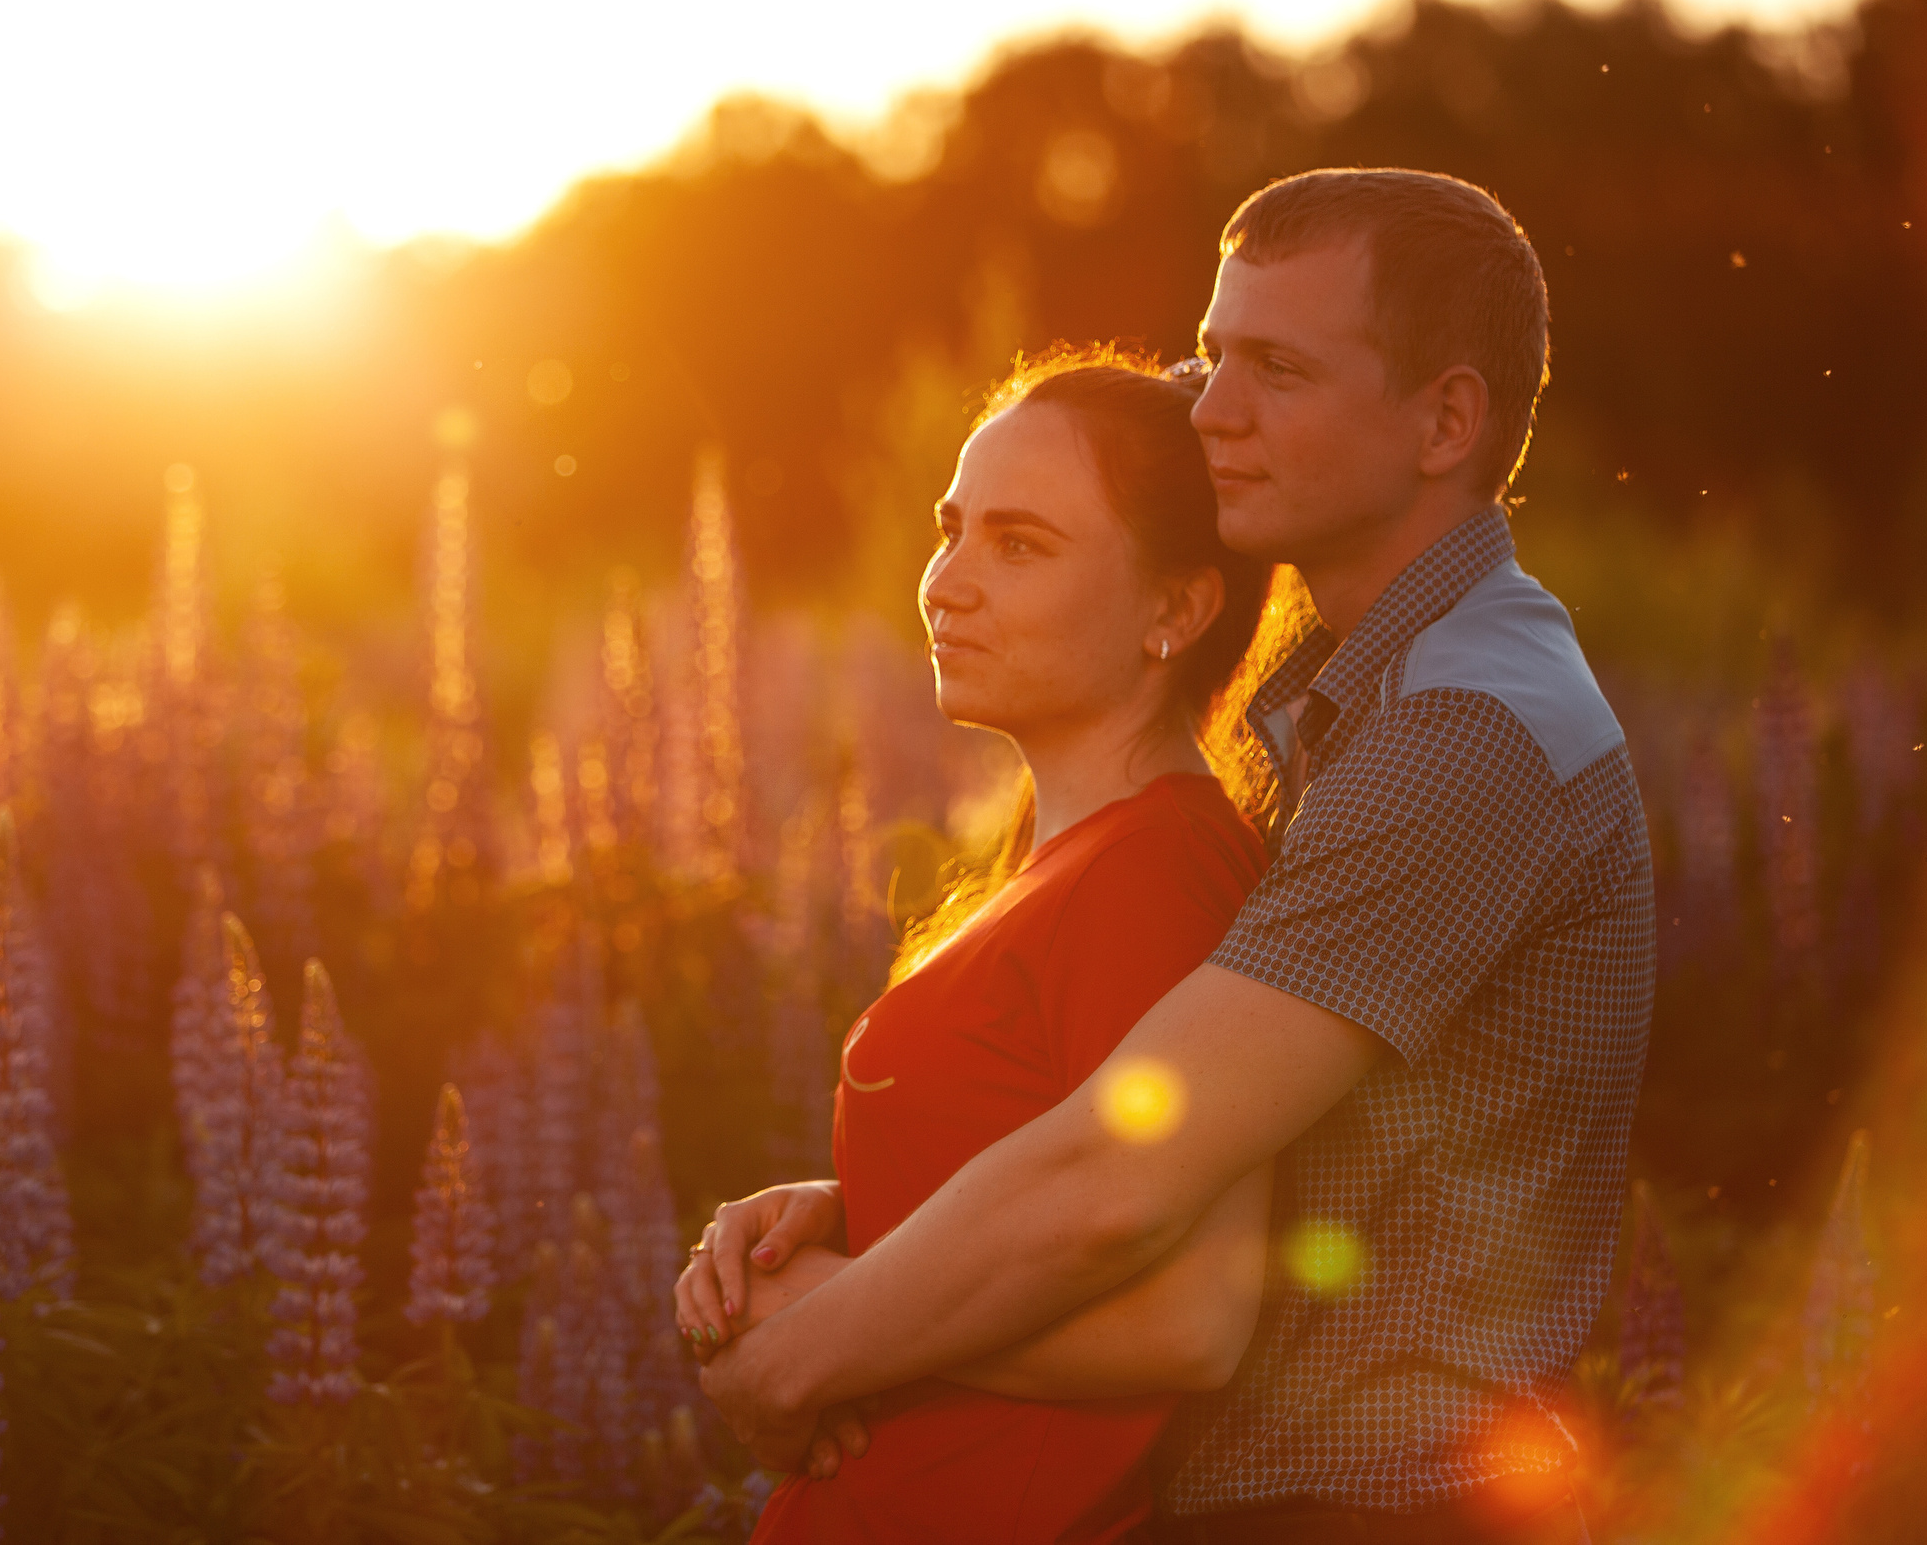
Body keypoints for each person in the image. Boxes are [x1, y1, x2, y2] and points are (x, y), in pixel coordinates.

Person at [689, 169, 1653, 1544]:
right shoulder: (1347, 695)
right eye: (1212, 355)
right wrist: (880, 1204)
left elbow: (1127, 1171)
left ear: (1445, 418)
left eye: (1277, 367)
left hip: (1372, 1501)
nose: (1212, 410)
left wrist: (803, 1347)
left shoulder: (1462, 730)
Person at [676, 351, 1286, 1542]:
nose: (947, 582)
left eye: (1020, 545)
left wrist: (821, 1332)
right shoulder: (1059, 858)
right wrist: (850, 1213)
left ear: (1176, 608)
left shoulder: (1155, 872)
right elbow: (1039, 1176)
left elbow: (1185, 1320)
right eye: (950, 530)